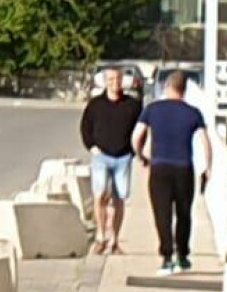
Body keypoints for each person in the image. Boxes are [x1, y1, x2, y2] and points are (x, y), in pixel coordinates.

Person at [131, 70, 214, 276]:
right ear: (184, 90)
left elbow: (136, 136)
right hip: (184, 168)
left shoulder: (152, 109)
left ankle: (167, 257)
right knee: (184, 213)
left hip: (159, 167)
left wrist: (141, 155)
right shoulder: (193, 113)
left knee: (163, 214)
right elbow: (206, 143)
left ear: (167, 87)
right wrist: (208, 167)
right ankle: (183, 256)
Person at [79, 66, 142, 254]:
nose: (114, 83)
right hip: (101, 157)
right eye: (111, 79)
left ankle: (114, 239)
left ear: (122, 81)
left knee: (119, 199)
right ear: (105, 81)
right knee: (99, 196)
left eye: (117, 79)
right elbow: (85, 127)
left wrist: (134, 151)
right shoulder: (95, 105)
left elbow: (141, 129)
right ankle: (100, 236)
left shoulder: (132, 105)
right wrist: (91, 146)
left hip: (123, 157)